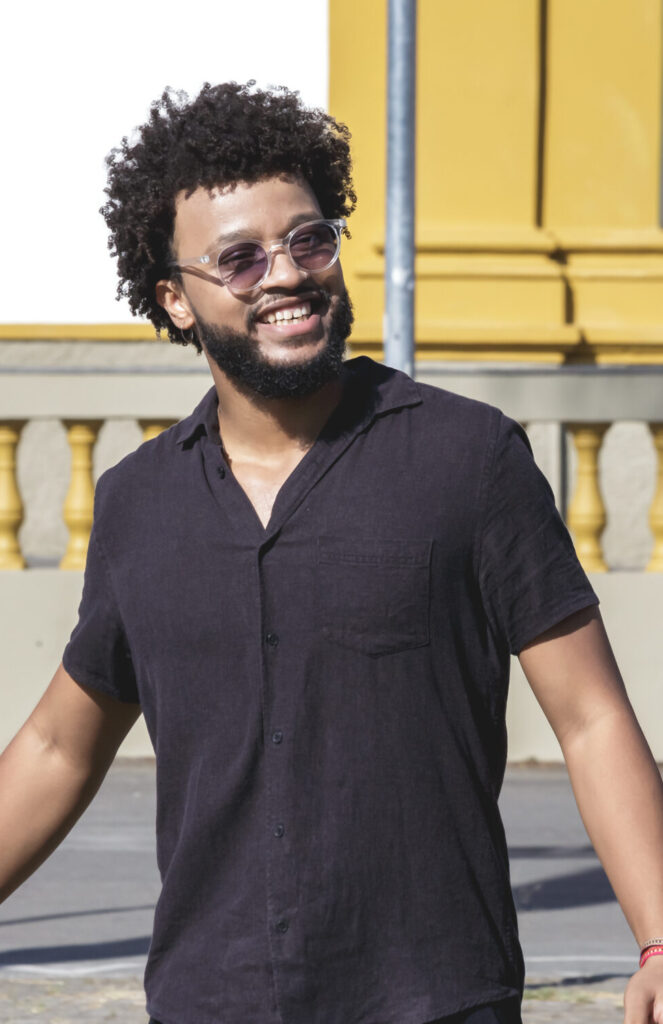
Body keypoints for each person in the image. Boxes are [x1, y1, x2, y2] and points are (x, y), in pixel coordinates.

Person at [1, 81, 663, 1024]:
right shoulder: (137, 504)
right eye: (239, 258)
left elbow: (591, 717)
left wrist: (657, 937)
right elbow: (59, 745)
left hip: (435, 999)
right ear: (175, 301)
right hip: (209, 1000)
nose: (284, 274)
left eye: (308, 240)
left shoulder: (467, 459)